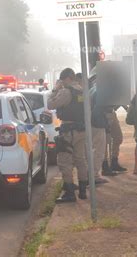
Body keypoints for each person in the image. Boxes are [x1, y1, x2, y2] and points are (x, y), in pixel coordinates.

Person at [48, 68, 88, 203]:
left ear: (67, 79)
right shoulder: (82, 90)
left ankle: (70, 193)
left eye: (62, 80)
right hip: (81, 130)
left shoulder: (66, 92)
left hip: (69, 131)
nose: (62, 83)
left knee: (64, 161)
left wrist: (55, 89)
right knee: (80, 159)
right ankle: (83, 191)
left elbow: (50, 104)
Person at [105, 108, 127, 172]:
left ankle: (114, 161)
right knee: (104, 141)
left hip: (112, 111)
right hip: (103, 112)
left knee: (118, 137)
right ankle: (105, 165)